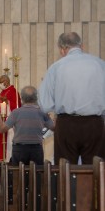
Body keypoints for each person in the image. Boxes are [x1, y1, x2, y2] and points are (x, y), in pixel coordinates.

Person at [38, 32, 105, 164]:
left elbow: (44, 104)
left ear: (62, 49)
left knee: (65, 170)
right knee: (95, 169)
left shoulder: (56, 67)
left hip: (66, 124)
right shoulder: (100, 64)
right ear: (82, 46)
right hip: (94, 124)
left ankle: (68, 184)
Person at [0, 86, 54, 165]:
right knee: (37, 174)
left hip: (20, 149)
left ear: (22, 98)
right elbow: (54, 128)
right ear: (36, 98)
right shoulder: (42, 112)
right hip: (36, 149)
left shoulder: (16, 113)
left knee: (18, 175)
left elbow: (2, 129)